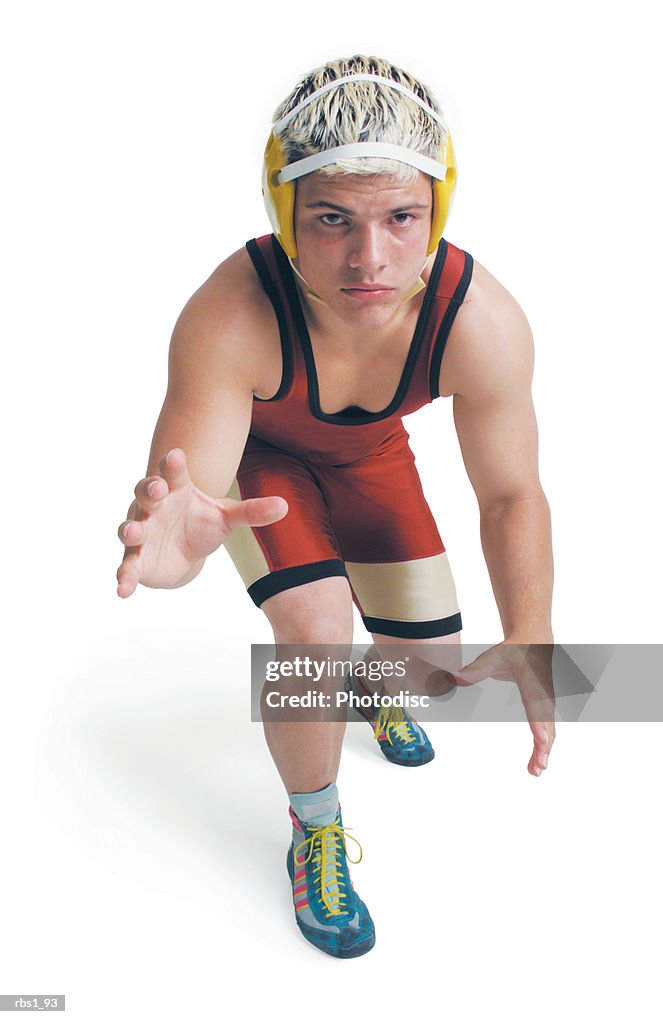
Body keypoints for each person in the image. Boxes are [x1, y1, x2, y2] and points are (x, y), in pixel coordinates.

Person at [115, 55, 555, 959]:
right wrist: (183, 547)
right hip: (262, 473)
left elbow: (510, 492)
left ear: (437, 209)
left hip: (371, 458)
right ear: (284, 217)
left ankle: (371, 689)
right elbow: (193, 485)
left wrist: (531, 627)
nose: (369, 259)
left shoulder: (480, 318)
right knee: (315, 631)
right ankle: (315, 828)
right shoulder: (233, 311)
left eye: (401, 217)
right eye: (331, 221)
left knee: (428, 672)